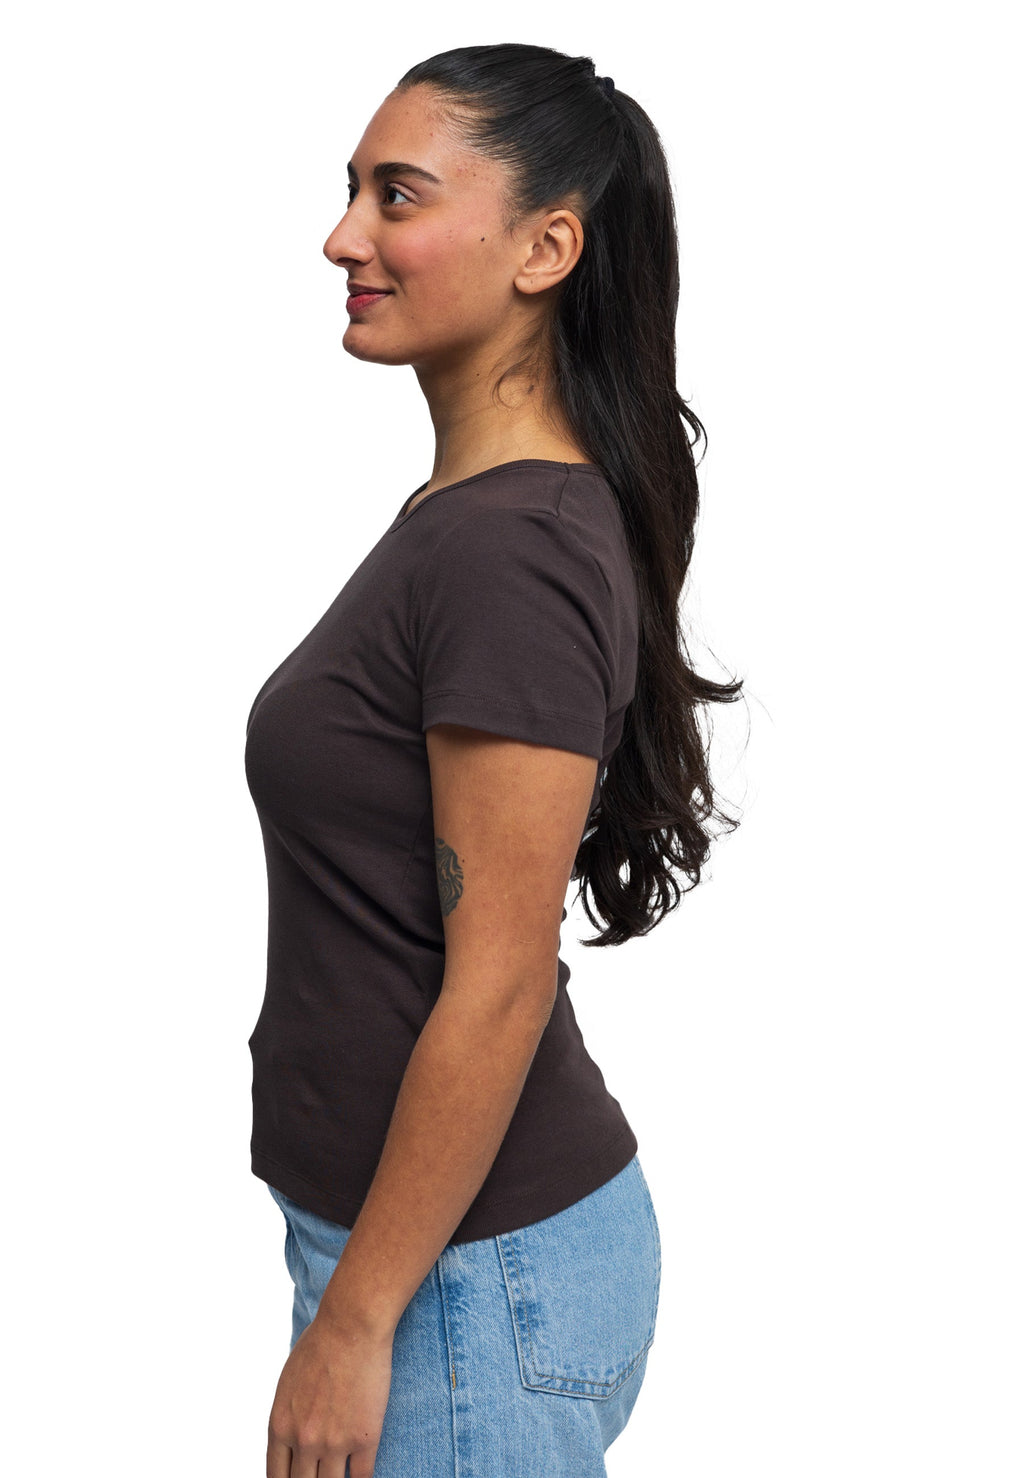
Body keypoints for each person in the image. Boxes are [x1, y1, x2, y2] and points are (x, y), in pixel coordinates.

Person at [243, 41, 743, 1478]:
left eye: (397, 198)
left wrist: (358, 1323)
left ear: (546, 249)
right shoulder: (471, 516)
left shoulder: (509, 547)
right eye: (352, 192)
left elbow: (503, 980)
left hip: (466, 1287)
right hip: (444, 1264)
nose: (344, 237)